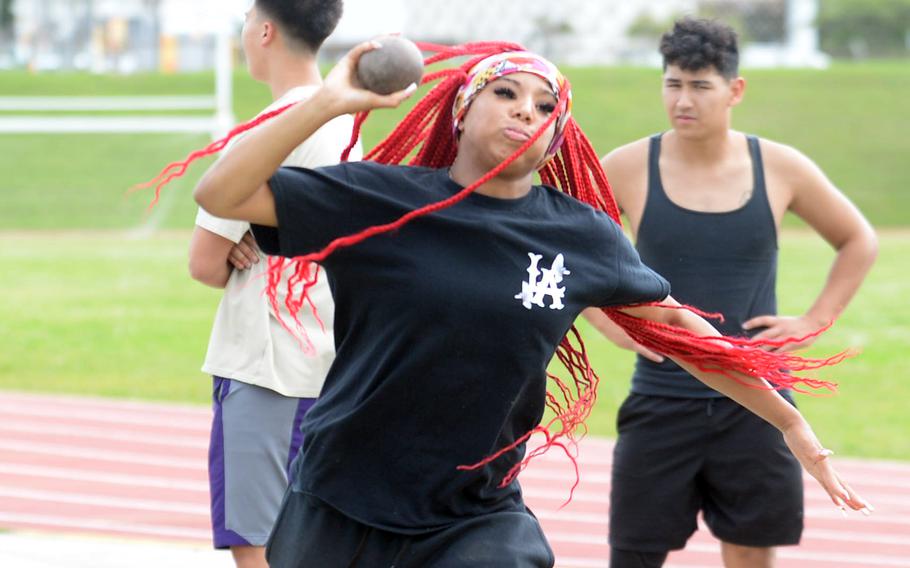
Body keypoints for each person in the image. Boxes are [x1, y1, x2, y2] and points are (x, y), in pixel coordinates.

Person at [159, 39, 868, 568]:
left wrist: (789, 424)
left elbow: (685, 335)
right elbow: (218, 195)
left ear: (558, 136)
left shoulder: (581, 234)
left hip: (475, 517)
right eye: (507, 95)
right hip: (343, 500)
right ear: (464, 109)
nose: (526, 111)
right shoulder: (377, 200)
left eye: (545, 106)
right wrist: (330, 101)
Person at [586, 17, 878, 568]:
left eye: (700, 85)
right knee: (634, 553)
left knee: (748, 552)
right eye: (673, 84)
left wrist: (815, 319)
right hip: (661, 398)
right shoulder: (626, 167)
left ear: (734, 89)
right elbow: (575, 256)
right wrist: (611, 326)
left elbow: (857, 239)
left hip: (758, 402)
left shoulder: (779, 167)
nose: (683, 100)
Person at [186, 1, 359, 567]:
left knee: (258, 545)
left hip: (272, 365)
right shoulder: (349, 119)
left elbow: (205, 263)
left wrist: (241, 247)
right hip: (337, 361)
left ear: (263, 31)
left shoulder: (270, 131)